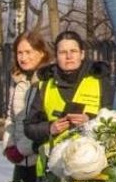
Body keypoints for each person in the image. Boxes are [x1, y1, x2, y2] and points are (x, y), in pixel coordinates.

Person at [23, 31, 110, 171]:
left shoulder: (100, 81)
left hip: (92, 167)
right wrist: (50, 128)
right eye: (63, 52)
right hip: (52, 169)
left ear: (82, 54)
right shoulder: (45, 85)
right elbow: (29, 127)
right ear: (56, 56)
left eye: (73, 51)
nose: (69, 56)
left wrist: (90, 120)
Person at [1, 29, 51, 182]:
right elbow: (11, 118)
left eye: (29, 52)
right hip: (20, 161)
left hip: (40, 160)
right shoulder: (19, 81)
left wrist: (25, 147)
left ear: (41, 52)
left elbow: (42, 122)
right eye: (19, 52)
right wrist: (9, 145)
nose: (23, 57)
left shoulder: (46, 81)